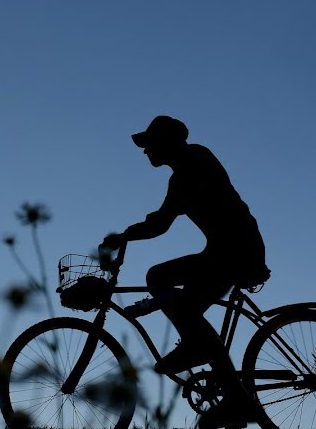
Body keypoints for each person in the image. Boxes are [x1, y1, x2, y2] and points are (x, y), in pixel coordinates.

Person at [100, 115, 270, 429]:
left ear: (166, 142)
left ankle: (235, 397)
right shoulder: (184, 174)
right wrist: (127, 235)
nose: (146, 151)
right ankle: (224, 386)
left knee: (162, 282)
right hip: (229, 250)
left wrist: (126, 235)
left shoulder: (195, 161)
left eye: (150, 144)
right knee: (187, 313)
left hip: (235, 250)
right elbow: (161, 222)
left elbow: (162, 221)